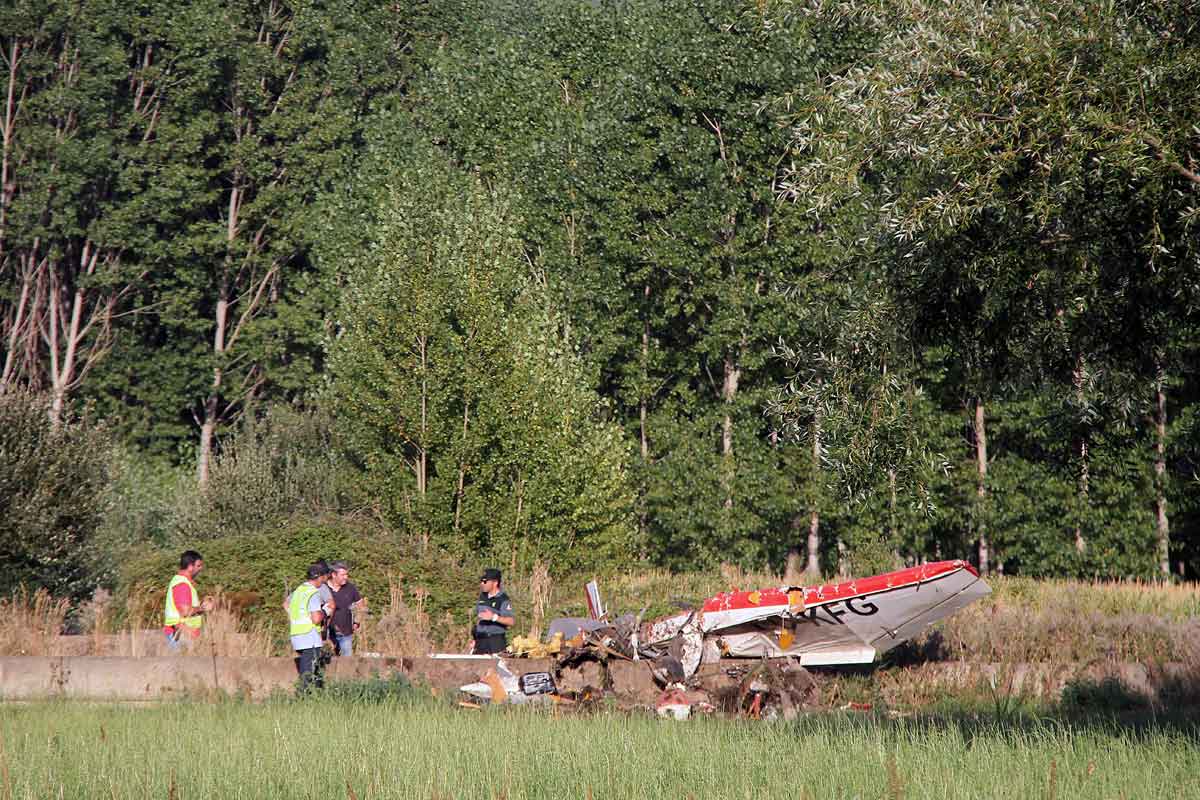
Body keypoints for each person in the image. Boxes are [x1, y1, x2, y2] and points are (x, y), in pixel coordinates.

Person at [288, 563, 331, 690]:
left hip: (297, 636)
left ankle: (319, 695)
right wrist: (326, 611)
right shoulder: (313, 593)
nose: (324, 580)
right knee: (307, 674)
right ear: (319, 577)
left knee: (316, 671)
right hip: (309, 637)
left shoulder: (299, 591)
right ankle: (302, 698)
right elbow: (316, 618)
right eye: (323, 577)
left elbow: (287, 605)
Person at [163, 550, 214, 651]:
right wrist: (203, 608)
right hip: (181, 636)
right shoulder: (182, 585)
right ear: (190, 566)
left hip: (182, 634)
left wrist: (201, 604)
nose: (201, 568)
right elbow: (185, 611)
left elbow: (186, 607)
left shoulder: (182, 582)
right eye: (198, 566)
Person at [471, 568, 514, 655]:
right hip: (480, 641)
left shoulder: (503, 599)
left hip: (495, 642)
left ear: (495, 583)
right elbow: (480, 619)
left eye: (485, 581)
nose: (482, 584)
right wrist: (475, 639)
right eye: (482, 581)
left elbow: (511, 621)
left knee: (493, 668)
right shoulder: (482, 596)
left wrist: (494, 617)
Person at [327, 561, 366, 657]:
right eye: (343, 575)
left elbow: (361, 605)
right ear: (333, 575)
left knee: (346, 663)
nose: (346, 577)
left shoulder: (350, 588)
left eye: (346, 574)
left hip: (346, 633)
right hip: (327, 634)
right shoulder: (323, 588)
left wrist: (357, 622)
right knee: (328, 663)